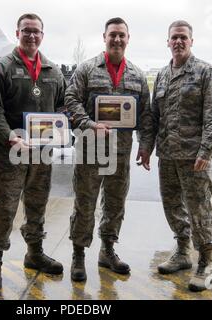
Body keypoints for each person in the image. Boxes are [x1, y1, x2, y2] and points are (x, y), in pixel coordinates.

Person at [65, 17, 154, 281]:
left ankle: (107, 250)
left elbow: (146, 113)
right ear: (104, 36)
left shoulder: (137, 75)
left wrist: (146, 145)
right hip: (90, 150)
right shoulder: (87, 69)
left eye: (121, 35)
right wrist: (88, 123)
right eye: (112, 34)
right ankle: (79, 254)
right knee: (85, 203)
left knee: (115, 203)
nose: (117, 39)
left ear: (128, 39)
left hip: (121, 152)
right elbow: (71, 98)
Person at [0, 13, 66, 290]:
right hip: (10, 153)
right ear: (17, 33)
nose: (32, 36)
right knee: (5, 207)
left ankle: (34, 253)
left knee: (37, 204)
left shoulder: (53, 70)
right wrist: (10, 137)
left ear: (43, 35)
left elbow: (62, 108)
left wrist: (62, 131)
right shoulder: (2, 68)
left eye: (36, 31)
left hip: (41, 153)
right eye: (26, 31)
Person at [149, 20, 212, 292]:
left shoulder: (204, 72)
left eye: (183, 37)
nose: (178, 42)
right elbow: (153, 117)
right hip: (167, 156)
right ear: (167, 42)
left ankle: (204, 261)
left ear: (191, 41)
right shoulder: (162, 75)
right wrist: (146, 148)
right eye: (174, 38)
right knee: (172, 206)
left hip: (195, 158)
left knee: (199, 209)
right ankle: (182, 252)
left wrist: (206, 150)